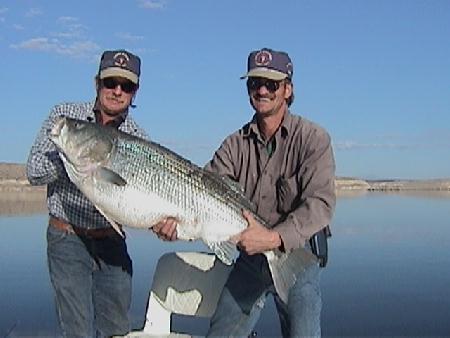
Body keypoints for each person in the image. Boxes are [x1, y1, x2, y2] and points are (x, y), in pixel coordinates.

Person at [152, 48, 336, 337]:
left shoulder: (313, 139)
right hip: (250, 259)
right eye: (254, 83)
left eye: (271, 84)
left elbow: (321, 204)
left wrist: (274, 238)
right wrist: (173, 220)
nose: (262, 90)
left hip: (298, 255)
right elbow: (200, 187)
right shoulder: (234, 144)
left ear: (288, 89)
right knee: (222, 331)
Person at [27, 49, 149, 337]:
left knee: (116, 329)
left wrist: (165, 222)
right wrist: (72, 155)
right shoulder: (65, 118)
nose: (117, 91)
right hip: (66, 238)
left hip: (111, 240)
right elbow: (33, 171)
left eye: (126, 86)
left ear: (134, 92)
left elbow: (139, 201)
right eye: (110, 82)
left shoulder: (139, 138)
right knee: (77, 330)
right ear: (97, 83)